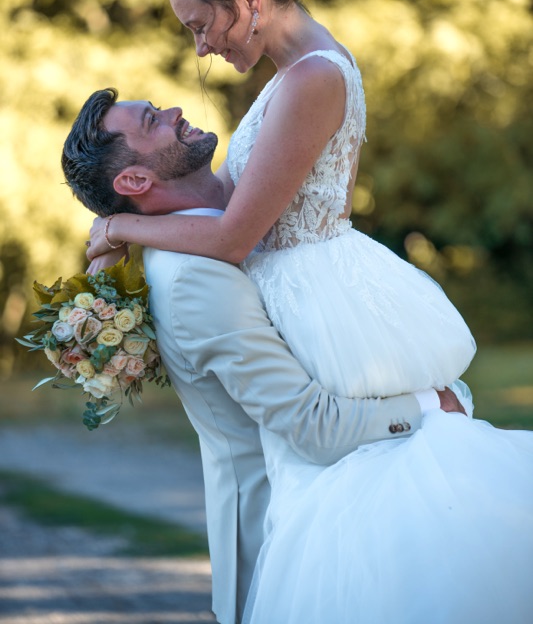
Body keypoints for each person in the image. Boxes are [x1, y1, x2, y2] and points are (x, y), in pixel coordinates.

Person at [84, 0, 533, 622]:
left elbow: (234, 237)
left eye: (201, 24)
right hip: (298, 287)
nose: (199, 46)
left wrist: (119, 224)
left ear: (250, 0)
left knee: (373, 511)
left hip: (322, 295)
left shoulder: (311, 79)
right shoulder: (292, 74)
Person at [61, 88, 462, 624]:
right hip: (294, 550)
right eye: (153, 120)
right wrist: (432, 405)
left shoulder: (229, 225)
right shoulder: (192, 279)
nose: (176, 110)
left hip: (346, 517)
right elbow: (309, 426)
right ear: (134, 182)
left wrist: (117, 227)